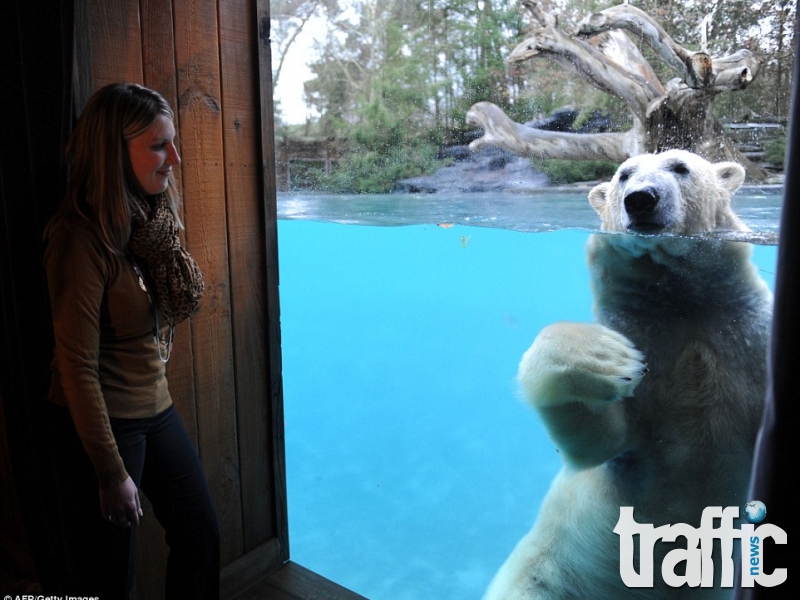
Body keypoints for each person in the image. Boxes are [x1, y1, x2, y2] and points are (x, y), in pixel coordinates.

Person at [43, 82, 220, 598]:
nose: (176, 158)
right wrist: (109, 472)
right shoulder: (78, 240)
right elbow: (75, 365)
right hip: (102, 424)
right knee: (105, 576)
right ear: (112, 153)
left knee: (200, 534)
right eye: (158, 145)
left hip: (154, 408)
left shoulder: (148, 224)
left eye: (173, 142)